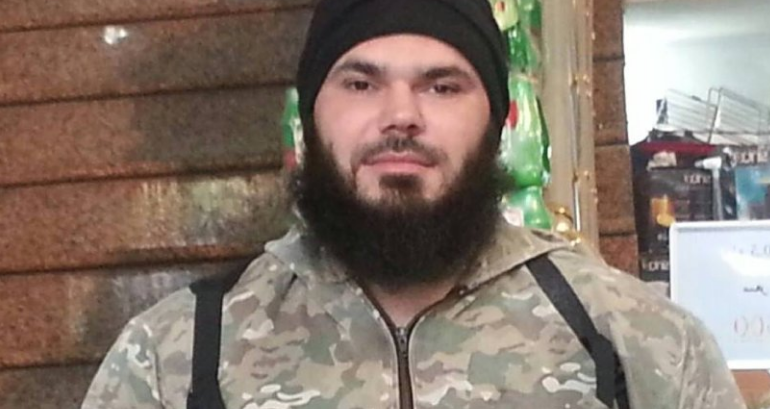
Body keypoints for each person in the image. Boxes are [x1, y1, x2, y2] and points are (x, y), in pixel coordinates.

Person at [81, 0, 747, 408]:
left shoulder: (642, 343)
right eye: (361, 83)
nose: (400, 116)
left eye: (442, 86)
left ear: (499, 121)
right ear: (310, 117)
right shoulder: (176, 354)